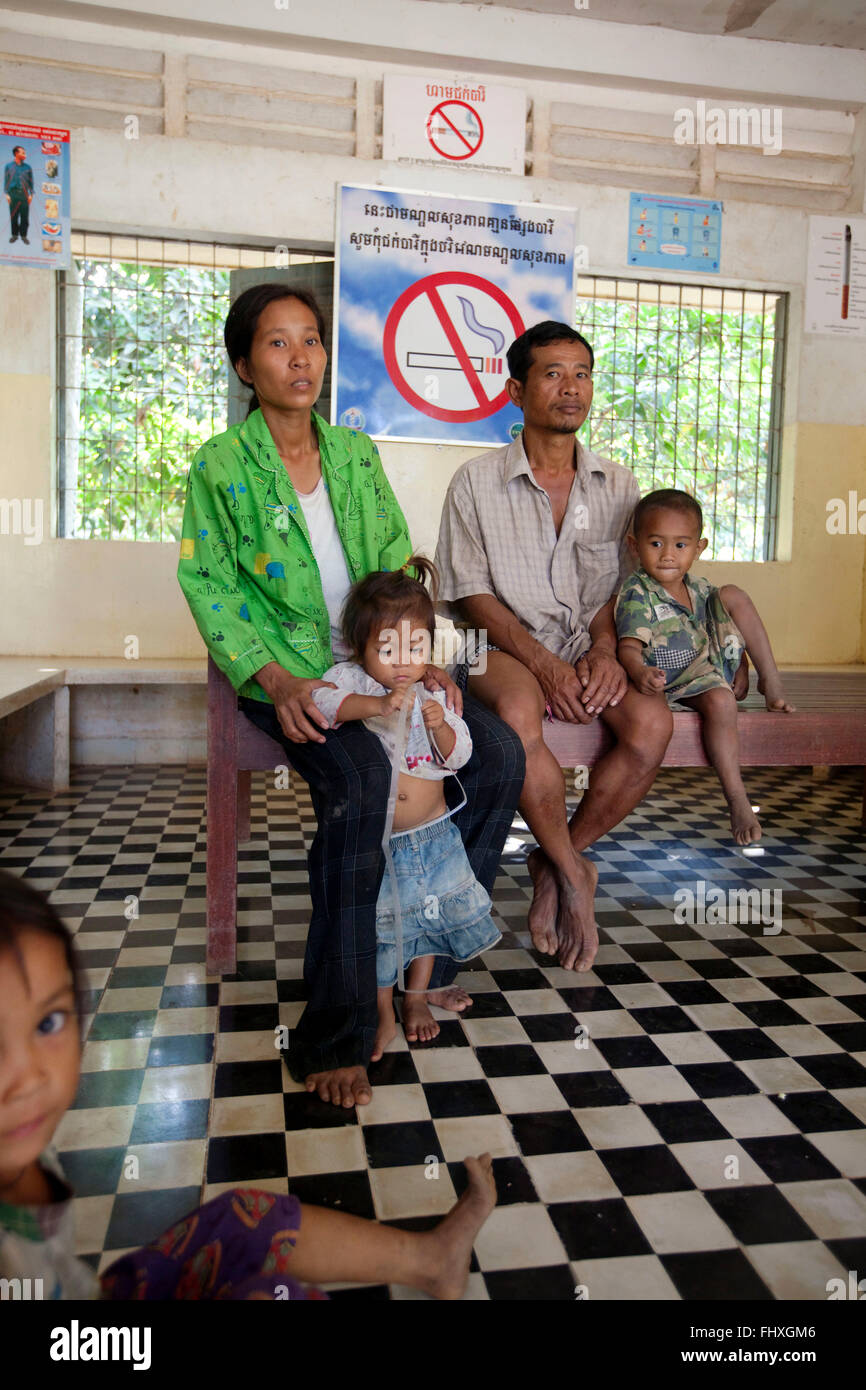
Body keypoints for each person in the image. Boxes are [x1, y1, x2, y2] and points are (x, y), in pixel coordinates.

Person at [177, 284, 524, 1109]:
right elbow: (207, 581)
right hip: (293, 674)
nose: (300, 359)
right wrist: (275, 678)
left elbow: (399, 565)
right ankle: (335, 1029)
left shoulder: (354, 454)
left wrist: (425, 656)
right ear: (243, 365)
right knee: (364, 784)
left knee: (500, 756)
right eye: (277, 344)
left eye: (312, 342)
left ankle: (422, 960)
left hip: (385, 660)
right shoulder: (221, 466)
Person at [0, 870, 497, 1300]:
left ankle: (431, 1259)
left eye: (48, 1024)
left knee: (241, 1218)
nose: (27, 1078)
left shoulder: (21, 1142)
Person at [436, 320, 684, 975]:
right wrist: (542, 662)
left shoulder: (618, 484)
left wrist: (604, 650)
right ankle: (578, 877)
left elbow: (623, 588)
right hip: (498, 642)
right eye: (552, 374)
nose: (570, 388)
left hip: (589, 643)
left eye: (581, 373)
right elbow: (467, 593)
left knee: (652, 723)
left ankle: (555, 862)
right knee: (518, 716)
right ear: (516, 390)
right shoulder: (476, 481)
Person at [310, 558, 501, 1060]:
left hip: (436, 837)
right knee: (384, 927)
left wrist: (439, 723)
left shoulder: (433, 691)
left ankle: (416, 997)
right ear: (359, 647)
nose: (402, 662)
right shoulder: (351, 680)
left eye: (415, 647)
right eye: (386, 648)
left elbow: (459, 754)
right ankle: (383, 1009)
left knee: (431, 920)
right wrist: (374, 707)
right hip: (382, 842)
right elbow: (326, 706)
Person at [615, 488, 794, 845]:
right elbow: (629, 648)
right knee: (722, 703)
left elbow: (722, 627)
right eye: (655, 544)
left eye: (680, 545)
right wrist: (639, 673)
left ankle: (770, 679)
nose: (668, 555)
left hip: (711, 667)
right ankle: (737, 798)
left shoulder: (699, 588)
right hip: (672, 681)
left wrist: (739, 664)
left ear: (699, 548)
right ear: (635, 546)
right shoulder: (639, 591)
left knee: (733, 594)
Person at [4, 145, 33, 245]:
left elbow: (31, 182)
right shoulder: (8, 166)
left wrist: (31, 195)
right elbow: (6, 180)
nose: (25, 155)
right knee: (14, 216)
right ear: (16, 153)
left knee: (25, 216)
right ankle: (14, 235)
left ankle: (24, 236)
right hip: (13, 194)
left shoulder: (28, 167)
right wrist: (6, 194)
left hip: (24, 195)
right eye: (23, 153)